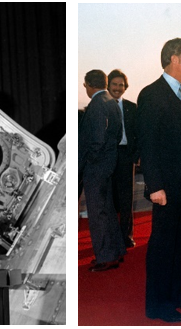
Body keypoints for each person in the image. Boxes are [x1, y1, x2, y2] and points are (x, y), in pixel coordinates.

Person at [137, 37, 181, 323]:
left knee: (179, 245)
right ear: (174, 59)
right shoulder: (152, 94)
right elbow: (148, 144)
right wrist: (155, 186)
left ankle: (176, 294)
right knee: (163, 247)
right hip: (166, 188)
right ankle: (157, 304)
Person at [78, 69, 127, 272]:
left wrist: (90, 160)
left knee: (97, 213)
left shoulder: (97, 104)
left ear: (89, 85)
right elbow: (115, 136)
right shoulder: (111, 102)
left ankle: (105, 257)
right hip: (109, 164)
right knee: (107, 209)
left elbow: (96, 139)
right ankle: (116, 250)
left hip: (96, 168)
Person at [107, 69, 141, 248]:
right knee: (109, 199)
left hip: (126, 156)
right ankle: (111, 237)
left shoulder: (131, 107)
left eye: (121, 85)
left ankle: (126, 236)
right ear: (108, 85)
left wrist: (136, 155)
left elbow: (137, 132)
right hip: (107, 157)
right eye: (114, 84)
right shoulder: (102, 105)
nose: (118, 88)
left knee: (126, 198)